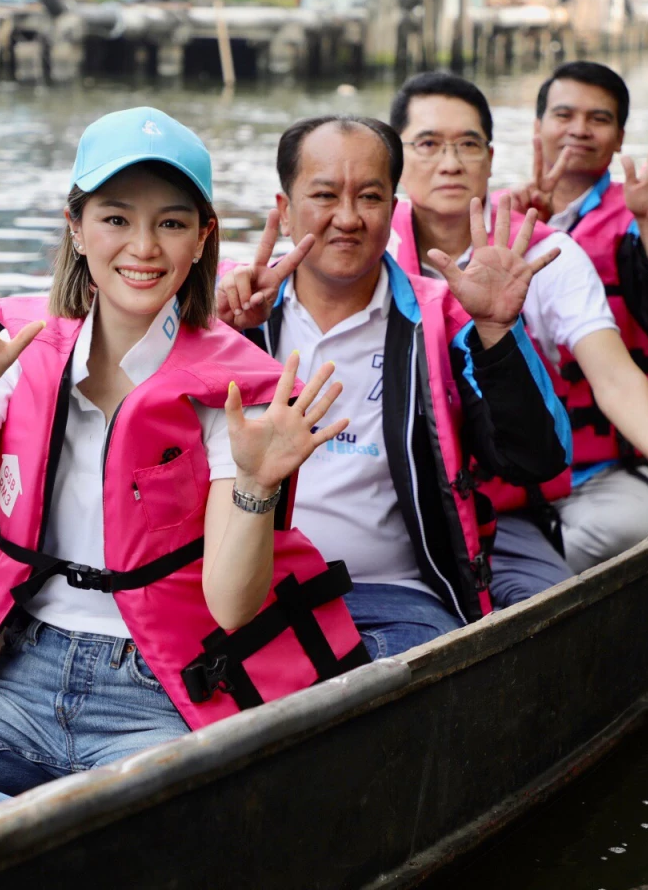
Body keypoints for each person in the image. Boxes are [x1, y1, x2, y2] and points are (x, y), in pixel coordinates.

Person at [0, 108, 367, 821]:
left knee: (204, 816)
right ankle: (65, 833)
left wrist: (255, 482)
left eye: (172, 223)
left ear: (203, 237)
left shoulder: (231, 390)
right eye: (116, 219)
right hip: (17, 679)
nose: (143, 247)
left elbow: (232, 606)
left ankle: (25, 835)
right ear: (77, 228)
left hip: (156, 695)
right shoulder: (21, 355)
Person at [216, 114, 570, 652]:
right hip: (251, 597)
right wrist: (217, 330)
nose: (348, 218)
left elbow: (534, 460)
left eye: (371, 197)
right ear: (284, 211)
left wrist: (498, 331)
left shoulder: (443, 320)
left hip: (399, 601)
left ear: (395, 208)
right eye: (325, 195)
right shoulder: (237, 314)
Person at [385, 71, 648, 597]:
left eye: (468, 145)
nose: (451, 162)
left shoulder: (544, 255)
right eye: (429, 145)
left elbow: (614, 374)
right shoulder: (370, 250)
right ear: (396, 157)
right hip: (397, 496)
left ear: (490, 155)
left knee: (604, 545)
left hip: (515, 498)